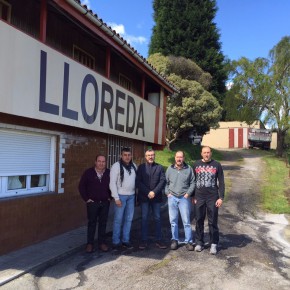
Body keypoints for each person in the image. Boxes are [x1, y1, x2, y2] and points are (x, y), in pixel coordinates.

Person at [192, 146, 225, 255]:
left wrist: (221, 197)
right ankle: (199, 242)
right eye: (204, 152)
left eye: (208, 152)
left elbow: (221, 182)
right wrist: (193, 196)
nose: (206, 154)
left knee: (212, 221)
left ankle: (214, 243)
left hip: (213, 197)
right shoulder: (196, 164)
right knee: (199, 220)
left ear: (211, 153)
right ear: (201, 154)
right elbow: (193, 181)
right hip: (199, 197)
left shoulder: (217, 165)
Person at [79, 155, 111, 253]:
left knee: (103, 223)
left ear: (105, 163)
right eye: (99, 161)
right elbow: (81, 186)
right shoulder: (88, 173)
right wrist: (86, 199)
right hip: (93, 203)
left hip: (105, 202)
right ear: (95, 162)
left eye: (103, 161)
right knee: (92, 223)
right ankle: (90, 244)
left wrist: (111, 197)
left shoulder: (109, 173)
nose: (101, 163)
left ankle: (102, 243)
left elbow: (115, 185)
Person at [136, 149, 167, 250]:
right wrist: (148, 192)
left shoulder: (159, 167)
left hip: (156, 198)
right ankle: (144, 240)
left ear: (154, 156)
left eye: (152, 155)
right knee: (144, 218)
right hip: (144, 198)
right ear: (145, 157)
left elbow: (162, 181)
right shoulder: (141, 168)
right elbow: (138, 182)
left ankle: (158, 240)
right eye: (148, 155)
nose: (150, 157)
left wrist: (154, 192)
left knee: (157, 218)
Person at [165, 151, 195, 251]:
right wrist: (167, 193)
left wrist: (188, 194)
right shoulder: (170, 169)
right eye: (177, 157)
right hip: (172, 197)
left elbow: (193, 183)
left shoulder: (189, 169)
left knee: (186, 221)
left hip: (184, 198)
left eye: (181, 157)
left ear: (183, 158)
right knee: (173, 221)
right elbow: (165, 182)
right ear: (175, 158)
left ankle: (188, 241)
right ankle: (174, 240)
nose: (179, 159)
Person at [110, 147, 137, 249]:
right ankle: (116, 241)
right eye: (125, 155)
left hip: (131, 196)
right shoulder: (116, 166)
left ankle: (126, 240)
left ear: (131, 156)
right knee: (118, 220)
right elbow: (112, 183)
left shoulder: (134, 166)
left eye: (129, 155)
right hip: (120, 196)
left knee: (129, 219)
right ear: (121, 156)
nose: (127, 157)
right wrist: (116, 198)